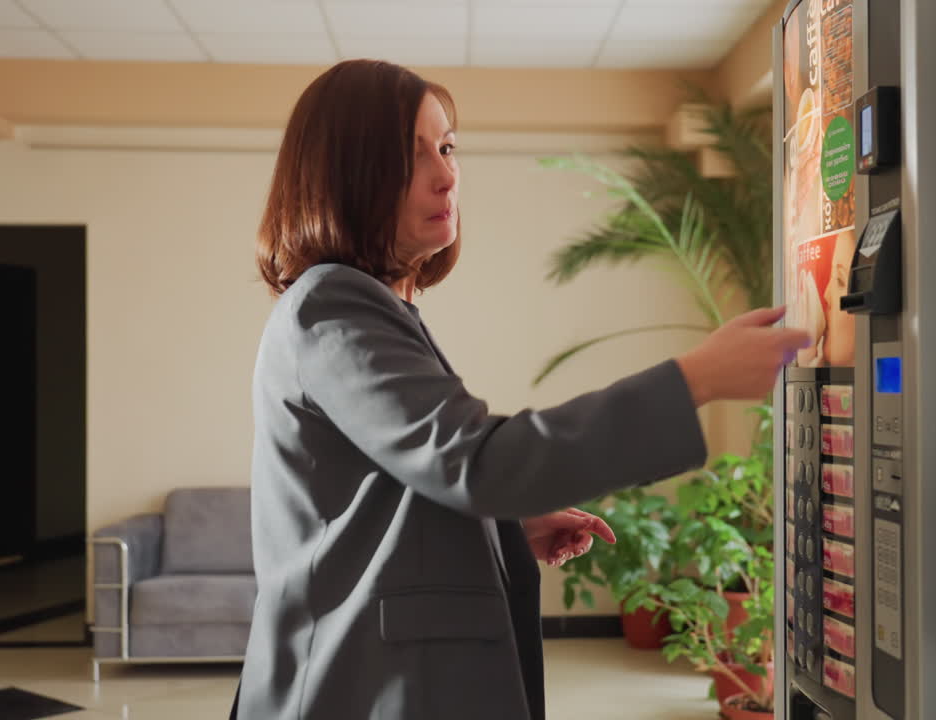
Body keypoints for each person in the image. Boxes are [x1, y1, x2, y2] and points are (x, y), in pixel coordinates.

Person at [232, 59, 810, 720]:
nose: (447, 174)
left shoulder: (365, 309)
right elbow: (477, 460)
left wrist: (495, 531)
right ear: (345, 174)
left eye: (447, 148)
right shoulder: (332, 307)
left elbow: (401, 489)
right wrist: (697, 378)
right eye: (411, 154)